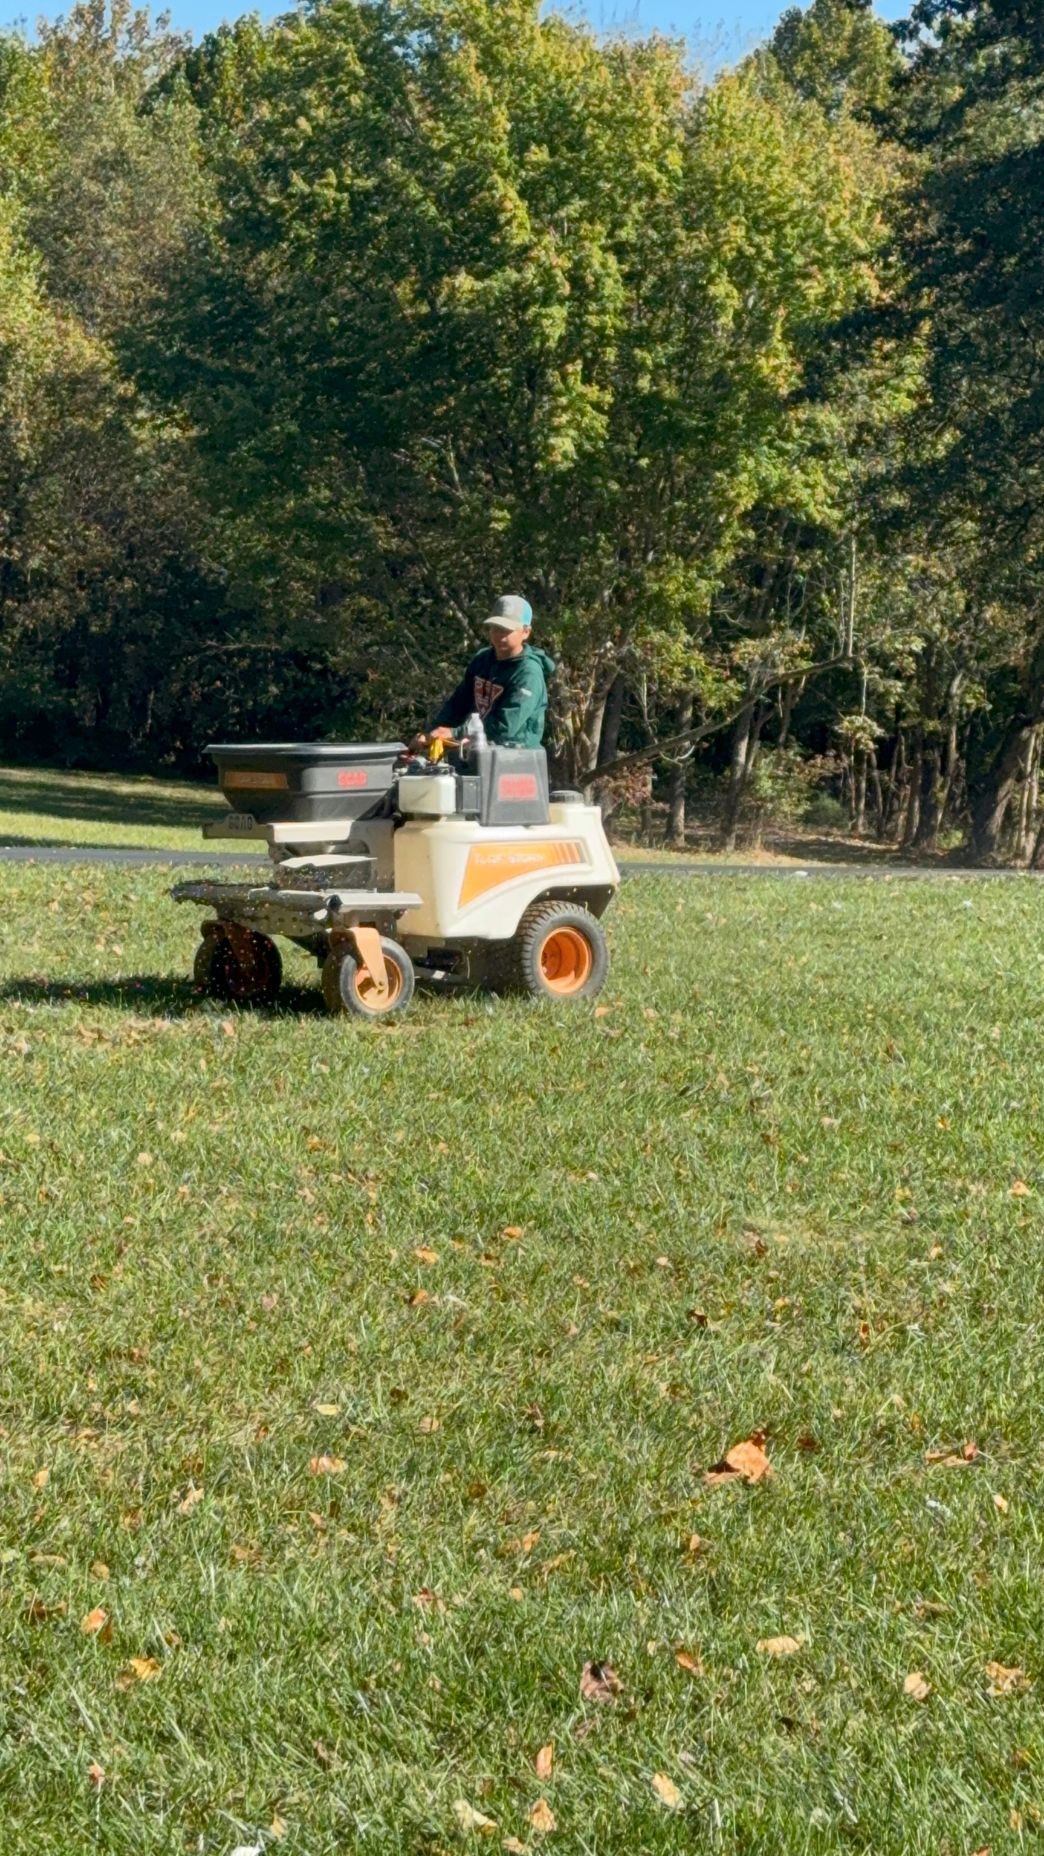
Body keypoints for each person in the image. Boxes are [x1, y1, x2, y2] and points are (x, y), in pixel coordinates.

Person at [412, 595, 555, 751]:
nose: (499, 635)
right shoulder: (483, 660)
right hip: (481, 751)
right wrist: (433, 733)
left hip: (518, 759)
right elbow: (458, 704)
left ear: (525, 632)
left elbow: (505, 727)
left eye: (506, 630)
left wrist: (455, 733)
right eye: (495, 628)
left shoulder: (528, 673)